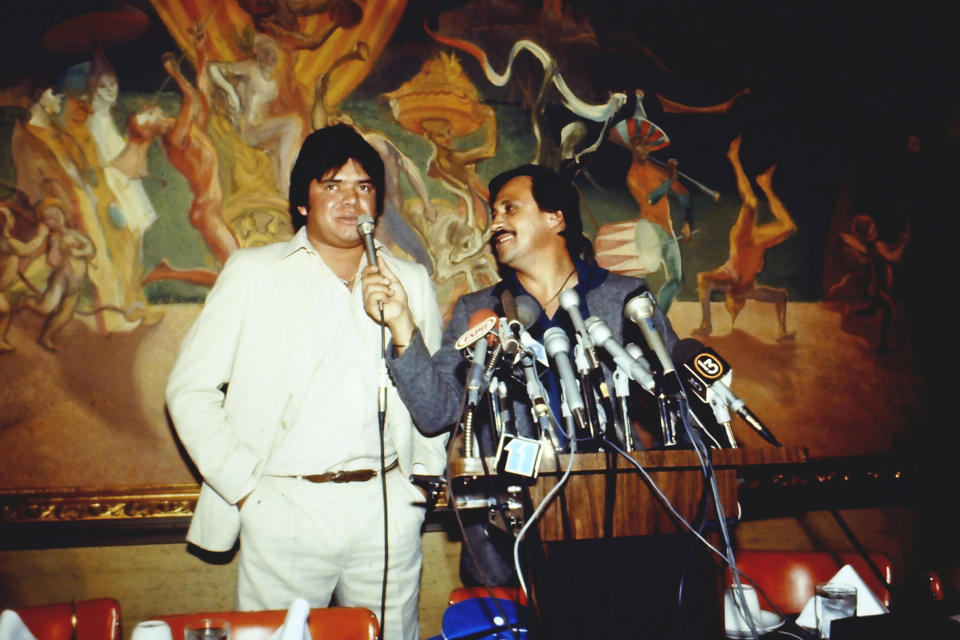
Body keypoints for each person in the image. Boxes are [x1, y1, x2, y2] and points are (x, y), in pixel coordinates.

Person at [361, 165, 704, 640]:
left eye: (509, 208)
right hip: (510, 547)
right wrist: (401, 327)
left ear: (556, 218)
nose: (493, 223)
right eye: (492, 212)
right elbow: (437, 410)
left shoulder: (626, 301)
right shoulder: (479, 311)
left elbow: (678, 415)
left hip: (623, 537)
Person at [165, 124, 447, 640]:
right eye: (331, 185)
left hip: (387, 505)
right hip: (283, 506)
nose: (349, 200)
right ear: (301, 202)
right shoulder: (254, 273)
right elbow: (190, 390)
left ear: (378, 202)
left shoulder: (411, 281)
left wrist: (420, 485)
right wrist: (247, 490)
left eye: (362, 186)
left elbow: (433, 393)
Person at [693, 135, 797, 340]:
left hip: (742, 241)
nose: (736, 306)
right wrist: (783, 330)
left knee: (751, 203)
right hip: (757, 243)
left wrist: (706, 323)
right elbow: (781, 296)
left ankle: (734, 159)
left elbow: (703, 280)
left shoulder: (727, 281)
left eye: (732, 306)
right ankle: (765, 184)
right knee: (790, 227)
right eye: (738, 307)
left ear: (727, 298)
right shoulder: (750, 291)